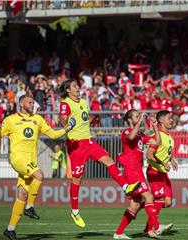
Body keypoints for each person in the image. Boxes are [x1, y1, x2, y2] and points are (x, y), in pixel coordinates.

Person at [0, 95, 76, 240]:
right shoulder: (11, 120)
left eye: (33, 102)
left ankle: (10, 229)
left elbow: (53, 134)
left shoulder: (37, 119)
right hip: (18, 158)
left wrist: (68, 127)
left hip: (30, 161)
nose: (32, 104)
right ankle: (30, 207)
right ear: (21, 103)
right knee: (39, 175)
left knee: (22, 194)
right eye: (30, 102)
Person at [58, 79, 141, 228]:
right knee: (77, 179)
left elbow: (83, 118)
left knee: (108, 160)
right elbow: (62, 118)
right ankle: (75, 211)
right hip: (75, 144)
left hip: (88, 141)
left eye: (78, 85)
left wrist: (91, 121)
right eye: (75, 86)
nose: (78, 87)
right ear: (68, 90)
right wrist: (66, 126)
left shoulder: (83, 102)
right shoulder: (65, 103)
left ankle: (126, 187)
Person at [114, 109, 168, 239]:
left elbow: (156, 142)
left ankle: (119, 233)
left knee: (136, 204)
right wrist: (140, 122)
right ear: (129, 120)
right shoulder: (126, 132)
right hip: (131, 171)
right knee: (148, 196)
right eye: (136, 116)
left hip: (138, 171)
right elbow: (131, 137)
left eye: (139, 116)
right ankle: (157, 226)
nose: (139, 118)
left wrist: (155, 127)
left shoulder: (141, 135)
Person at [144, 110, 177, 235]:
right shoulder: (156, 137)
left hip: (163, 172)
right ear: (161, 121)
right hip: (154, 171)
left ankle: (148, 206)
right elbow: (149, 155)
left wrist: (171, 159)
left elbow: (165, 153)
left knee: (167, 202)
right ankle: (150, 229)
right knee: (160, 200)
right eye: (169, 118)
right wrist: (162, 163)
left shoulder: (169, 137)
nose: (172, 120)